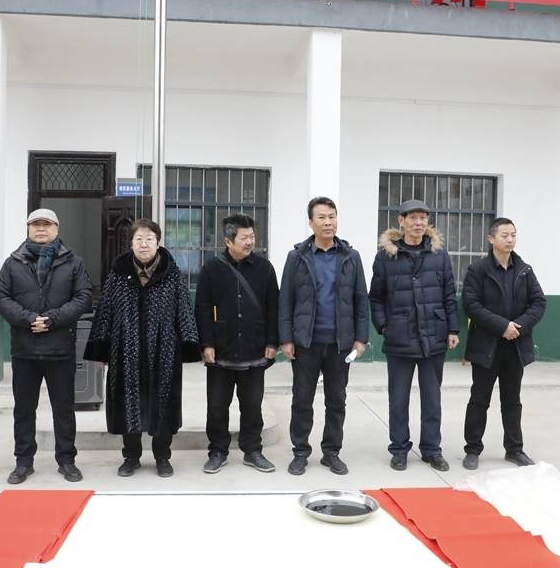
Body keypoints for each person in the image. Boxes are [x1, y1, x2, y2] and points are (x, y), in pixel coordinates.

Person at [83, 218, 200, 478]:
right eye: (139, 239)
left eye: (149, 239)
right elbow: (105, 310)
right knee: (128, 404)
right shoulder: (118, 273)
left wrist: (189, 345)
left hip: (164, 350)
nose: (144, 244)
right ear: (131, 243)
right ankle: (131, 456)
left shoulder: (172, 274)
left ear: (158, 243)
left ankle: (162, 457)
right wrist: (101, 348)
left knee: (163, 404)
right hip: (125, 349)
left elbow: (184, 310)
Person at [0, 208, 92, 485]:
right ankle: (23, 462)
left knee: (64, 409)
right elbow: (0, 297)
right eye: (35, 224)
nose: (41, 229)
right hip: (25, 350)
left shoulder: (73, 262)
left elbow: (83, 297)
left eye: (46, 224)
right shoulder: (13, 263)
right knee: (24, 410)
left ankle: (67, 461)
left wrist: (52, 319)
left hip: (60, 349)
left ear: (56, 229)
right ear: (28, 229)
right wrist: (28, 319)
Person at [279, 196, 369, 476]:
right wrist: (286, 339)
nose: (328, 222)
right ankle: (300, 452)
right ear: (311, 222)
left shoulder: (351, 257)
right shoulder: (297, 257)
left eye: (332, 216)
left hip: (341, 343)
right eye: (322, 217)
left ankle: (331, 452)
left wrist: (361, 339)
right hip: (306, 343)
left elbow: (361, 299)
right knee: (301, 400)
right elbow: (286, 300)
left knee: (336, 401)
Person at [369, 199, 459, 472]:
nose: (418, 223)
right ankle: (399, 449)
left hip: (434, 336)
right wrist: (384, 326)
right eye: (413, 218)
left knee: (432, 398)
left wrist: (452, 329)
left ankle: (432, 450)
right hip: (400, 336)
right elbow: (376, 297)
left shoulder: (438, 255)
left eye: (423, 218)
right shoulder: (386, 256)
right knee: (398, 399)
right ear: (401, 221)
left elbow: (449, 294)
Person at [195, 213, 279, 474]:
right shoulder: (212, 268)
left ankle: (252, 451)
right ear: (228, 241)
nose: (250, 242)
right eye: (244, 238)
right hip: (221, 349)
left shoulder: (265, 268)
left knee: (252, 406)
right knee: (217, 406)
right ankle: (217, 451)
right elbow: (202, 308)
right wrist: (207, 343)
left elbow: (273, 307)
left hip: (254, 348)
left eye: (252, 236)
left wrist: (272, 341)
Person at [461, 217, 546, 470]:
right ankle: (473, 449)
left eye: (513, 235)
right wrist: (502, 326)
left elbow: (539, 302)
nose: (510, 240)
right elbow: (471, 305)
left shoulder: (524, 270)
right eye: (504, 235)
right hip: (486, 346)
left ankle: (514, 449)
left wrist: (517, 326)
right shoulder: (478, 270)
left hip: (515, 346)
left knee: (512, 400)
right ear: (491, 239)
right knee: (479, 399)